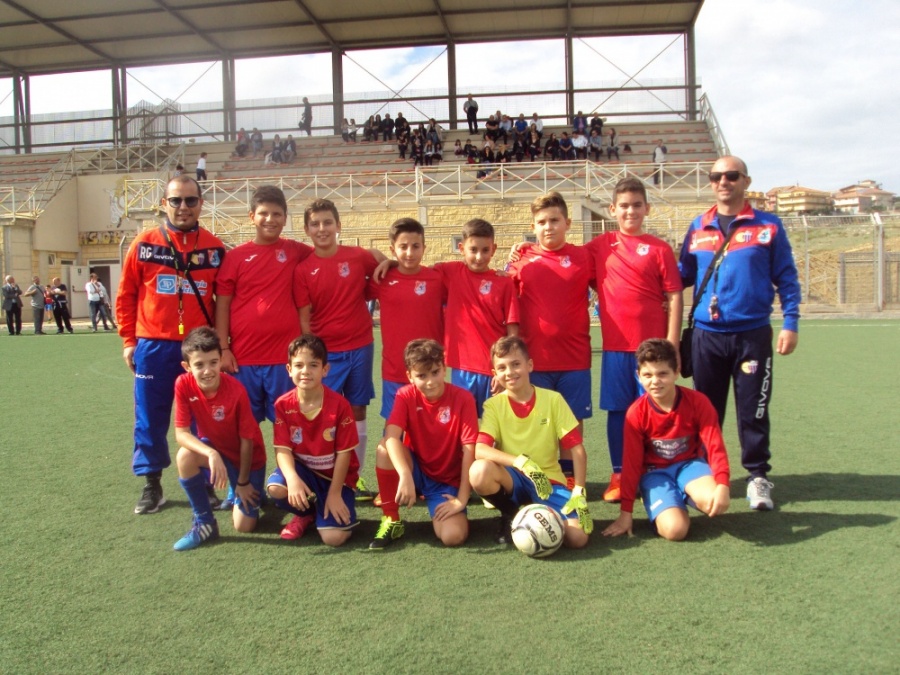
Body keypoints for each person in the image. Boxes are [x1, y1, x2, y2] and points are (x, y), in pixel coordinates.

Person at [679, 155, 801, 511]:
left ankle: (758, 476)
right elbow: (680, 275)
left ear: (745, 181)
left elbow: (787, 279)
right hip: (706, 336)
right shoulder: (698, 226)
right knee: (707, 412)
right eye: (716, 176)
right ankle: (710, 474)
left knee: (753, 410)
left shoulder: (768, 226)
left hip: (752, 335)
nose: (723, 182)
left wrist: (790, 323)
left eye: (731, 175)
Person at [117, 175, 226, 515]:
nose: (183, 207)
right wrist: (127, 340)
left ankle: (204, 483)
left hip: (200, 351)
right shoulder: (144, 243)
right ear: (164, 204)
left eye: (190, 201)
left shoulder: (215, 248)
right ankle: (152, 484)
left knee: (202, 419)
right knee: (150, 416)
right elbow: (126, 295)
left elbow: (226, 301)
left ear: (201, 204)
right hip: (154, 346)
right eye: (176, 200)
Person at [584, 178, 683, 502]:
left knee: (655, 409)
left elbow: (675, 295)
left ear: (646, 208)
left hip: (652, 351)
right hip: (615, 348)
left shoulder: (659, 249)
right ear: (613, 209)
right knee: (618, 411)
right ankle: (619, 473)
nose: (630, 211)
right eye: (624, 205)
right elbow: (563, 259)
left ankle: (656, 470)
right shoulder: (599, 246)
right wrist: (525, 250)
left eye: (636, 205)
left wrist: (672, 344)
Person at [293, 198, 385, 495]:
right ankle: (322, 477)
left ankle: (354, 478)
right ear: (307, 230)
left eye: (327, 222)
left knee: (357, 409)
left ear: (338, 225)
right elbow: (305, 319)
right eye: (315, 224)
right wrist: (313, 357)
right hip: (327, 353)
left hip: (360, 346)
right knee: (324, 412)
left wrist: (389, 259)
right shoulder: (304, 270)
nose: (322, 228)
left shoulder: (357, 256)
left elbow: (383, 264)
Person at [601, 339, 731, 540]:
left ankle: (681, 494)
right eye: (647, 375)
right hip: (655, 474)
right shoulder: (636, 413)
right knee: (676, 531)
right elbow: (632, 463)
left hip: (689, 465)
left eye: (662, 373)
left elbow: (715, 446)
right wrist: (626, 513)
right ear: (638, 376)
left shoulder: (698, 402)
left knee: (713, 501)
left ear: (676, 372)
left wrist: (723, 483)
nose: (655, 381)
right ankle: (665, 504)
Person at [470, 336, 592, 548]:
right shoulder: (493, 405)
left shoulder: (553, 399)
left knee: (578, 538)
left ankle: (544, 511)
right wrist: (520, 462)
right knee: (479, 471)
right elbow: (480, 450)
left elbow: (576, 449)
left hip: (548, 479)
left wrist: (579, 489)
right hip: (514, 478)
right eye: (502, 367)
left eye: (516, 364)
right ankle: (511, 514)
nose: (509, 372)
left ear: (530, 365)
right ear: (495, 374)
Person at [215, 186, 312, 428]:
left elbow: (330, 256)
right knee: (245, 429)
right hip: (243, 358)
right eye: (264, 213)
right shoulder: (236, 257)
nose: (270, 219)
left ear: (285, 218)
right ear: (252, 217)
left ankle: (289, 468)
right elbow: (223, 305)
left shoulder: (295, 250)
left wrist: (377, 256)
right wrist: (223, 348)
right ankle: (249, 469)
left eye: (277, 214)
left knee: (290, 426)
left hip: (284, 358)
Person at [369, 339, 478, 549]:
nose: (430, 382)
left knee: (453, 536)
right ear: (410, 376)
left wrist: (462, 499)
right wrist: (405, 474)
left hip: (447, 482)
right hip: (417, 471)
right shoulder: (405, 395)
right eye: (421, 376)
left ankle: (438, 505)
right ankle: (392, 519)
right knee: (384, 448)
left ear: (444, 368)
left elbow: (469, 450)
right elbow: (392, 435)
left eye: (435, 372)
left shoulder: (463, 398)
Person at [170, 327, 267, 551]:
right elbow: (181, 434)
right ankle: (205, 523)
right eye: (199, 365)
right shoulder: (183, 384)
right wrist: (211, 453)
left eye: (213, 362)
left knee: (244, 526)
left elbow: (247, 441)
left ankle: (251, 489)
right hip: (217, 452)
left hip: (248, 460)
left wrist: (242, 482)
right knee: (185, 456)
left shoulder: (236, 390)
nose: (207, 371)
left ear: (221, 360)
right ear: (187, 367)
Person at [266, 334, 359, 546]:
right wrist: (291, 479)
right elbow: (282, 449)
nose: (305, 371)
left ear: (325, 370)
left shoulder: (340, 405)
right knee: (276, 488)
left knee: (334, 538)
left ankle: (325, 506)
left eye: (313, 365)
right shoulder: (283, 404)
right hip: (304, 473)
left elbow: (345, 454)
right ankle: (306, 513)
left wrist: (335, 493)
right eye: (298, 365)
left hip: (335, 479)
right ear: (289, 370)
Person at [436, 219, 519, 417]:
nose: (479, 257)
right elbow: (414, 269)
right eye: (473, 250)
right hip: (462, 368)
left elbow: (512, 330)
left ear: (494, 249)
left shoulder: (503, 282)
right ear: (461, 248)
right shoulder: (451, 272)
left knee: (498, 428)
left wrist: (504, 368)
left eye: (485, 250)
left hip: (495, 370)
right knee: (465, 427)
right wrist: (392, 261)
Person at [368, 218, 444, 422]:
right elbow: (367, 254)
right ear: (393, 249)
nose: (409, 253)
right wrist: (388, 261)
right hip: (395, 370)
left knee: (431, 426)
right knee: (395, 428)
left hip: (431, 370)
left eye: (415, 246)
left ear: (424, 248)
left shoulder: (438, 279)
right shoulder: (382, 279)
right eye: (403, 247)